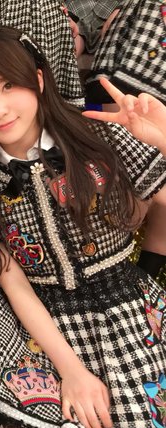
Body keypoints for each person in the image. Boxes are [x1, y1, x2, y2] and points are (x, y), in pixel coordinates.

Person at [0, 25, 166, 428]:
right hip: (36, 334)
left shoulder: (102, 137)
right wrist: (71, 371)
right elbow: (14, 284)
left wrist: (165, 138)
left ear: (39, 79)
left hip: (127, 324)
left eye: (9, 86)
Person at [87, 0, 166, 280]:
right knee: (129, 135)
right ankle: (136, 272)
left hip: (144, 47)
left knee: (145, 164)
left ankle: (144, 277)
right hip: (140, 39)